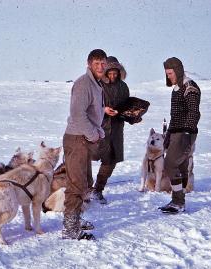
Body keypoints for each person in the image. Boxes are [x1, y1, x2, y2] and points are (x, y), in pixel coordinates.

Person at [62, 49, 107, 240]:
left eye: (103, 63)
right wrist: (93, 134)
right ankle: (70, 228)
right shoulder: (83, 84)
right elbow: (78, 115)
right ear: (89, 64)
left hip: (85, 139)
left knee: (85, 182)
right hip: (77, 138)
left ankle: (76, 219)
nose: (100, 67)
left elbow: (92, 114)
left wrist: (98, 131)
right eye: (96, 63)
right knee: (76, 184)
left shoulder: (96, 84)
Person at [159, 57, 201, 214]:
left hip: (185, 132)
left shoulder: (189, 87)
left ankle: (178, 201)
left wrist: (187, 132)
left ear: (178, 70)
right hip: (177, 131)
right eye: (167, 73)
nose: (168, 76)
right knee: (181, 166)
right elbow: (176, 115)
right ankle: (178, 201)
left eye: (170, 73)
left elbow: (193, 111)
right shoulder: (177, 88)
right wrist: (169, 132)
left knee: (170, 164)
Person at [91, 56, 129, 204]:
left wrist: (132, 114)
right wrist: (103, 110)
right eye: (110, 73)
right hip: (98, 127)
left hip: (117, 128)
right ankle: (83, 189)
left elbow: (127, 105)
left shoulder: (123, 87)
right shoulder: (98, 85)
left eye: (115, 73)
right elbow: (90, 105)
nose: (113, 76)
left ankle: (98, 190)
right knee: (87, 157)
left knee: (110, 160)